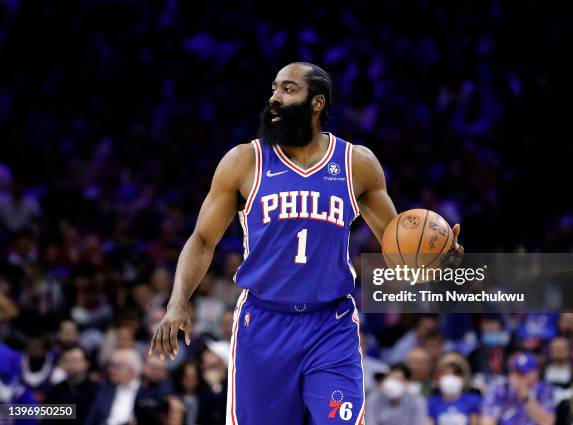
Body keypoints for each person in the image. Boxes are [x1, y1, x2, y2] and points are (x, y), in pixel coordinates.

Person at [148, 61, 464, 425]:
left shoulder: (355, 164)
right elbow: (202, 239)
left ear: (318, 102)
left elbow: (396, 249)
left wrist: (433, 259)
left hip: (331, 325)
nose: (274, 99)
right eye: (274, 89)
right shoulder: (244, 161)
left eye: (288, 89)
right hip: (264, 322)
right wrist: (177, 302)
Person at [482, 352, 555, 425]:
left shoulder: (544, 390)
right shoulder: (500, 388)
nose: (516, 377)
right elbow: (487, 421)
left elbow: (548, 422)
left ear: (535, 374)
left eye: (521, 374)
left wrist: (526, 398)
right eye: (513, 372)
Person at [85, 348, 143, 425]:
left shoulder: (144, 390)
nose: (111, 370)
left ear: (132, 369)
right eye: (110, 366)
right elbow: (91, 419)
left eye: (117, 366)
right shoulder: (103, 390)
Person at [44, 346, 99, 425]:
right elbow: (47, 419)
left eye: (75, 361)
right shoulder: (55, 390)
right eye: (67, 361)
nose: (71, 364)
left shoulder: (96, 390)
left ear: (86, 364)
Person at [427, 359, 480, 425]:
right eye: (446, 374)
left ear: (463, 377)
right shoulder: (432, 403)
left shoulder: (473, 400)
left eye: (455, 374)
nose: (450, 377)